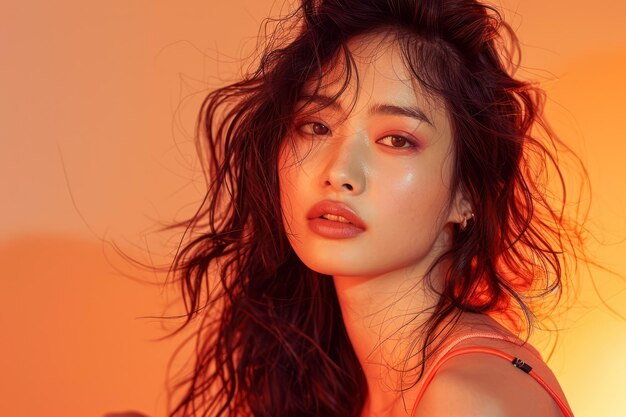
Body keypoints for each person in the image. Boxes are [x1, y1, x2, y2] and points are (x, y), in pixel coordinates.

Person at [163, 0, 583, 416]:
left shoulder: (470, 400)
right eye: (317, 126)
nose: (340, 172)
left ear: (467, 193)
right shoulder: (342, 384)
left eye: (397, 139)